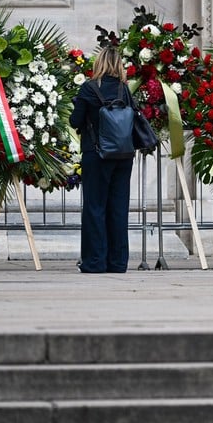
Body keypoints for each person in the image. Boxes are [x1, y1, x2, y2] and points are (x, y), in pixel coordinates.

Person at [69, 46, 134, 273]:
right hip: (123, 156)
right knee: (118, 208)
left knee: (95, 208)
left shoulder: (88, 88)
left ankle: (95, 261)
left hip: (96, 154)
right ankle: (117, 262)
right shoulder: (123, 90)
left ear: (100, 63)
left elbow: (75, 121)